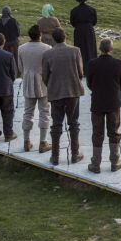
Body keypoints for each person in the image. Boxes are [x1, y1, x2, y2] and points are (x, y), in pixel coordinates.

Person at [42, 27, 85, 165]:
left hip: (56, 93)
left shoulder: (48, 54)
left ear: (53, 39)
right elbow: (80, 72)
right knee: (74, 123)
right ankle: (75, 153)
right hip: (72, 91)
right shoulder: (75, 51)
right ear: (65, 37)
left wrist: (53, 85)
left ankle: (55, 156)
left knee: (56, 124)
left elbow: (45, 76)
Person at [86, 38, 121, 173]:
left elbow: (89, 83)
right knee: (114, 132)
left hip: (97, 101)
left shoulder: (92, 64)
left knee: (97, 133)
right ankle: (115, 161)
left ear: (100, 49)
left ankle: (96, 163)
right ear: (111, 49)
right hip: (113, 102)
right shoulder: (119, 64)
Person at [17, 25, 52, 153]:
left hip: (27, 81)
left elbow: (20, 67)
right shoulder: (47, 48)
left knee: (28, 112)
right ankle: (43, 142)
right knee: (44, 112)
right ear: (40, 35)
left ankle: (26, 140)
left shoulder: (21, 48)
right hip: (43, 82)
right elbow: (49, 67)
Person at [70, 0, 98, 74]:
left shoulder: (74, 10)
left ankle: (80, 68)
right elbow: (94, 22)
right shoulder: (92, 10)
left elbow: (72, 22)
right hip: (89, 30)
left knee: (80, 49)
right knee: (90, 48)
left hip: (78, 30)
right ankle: (91, 68)